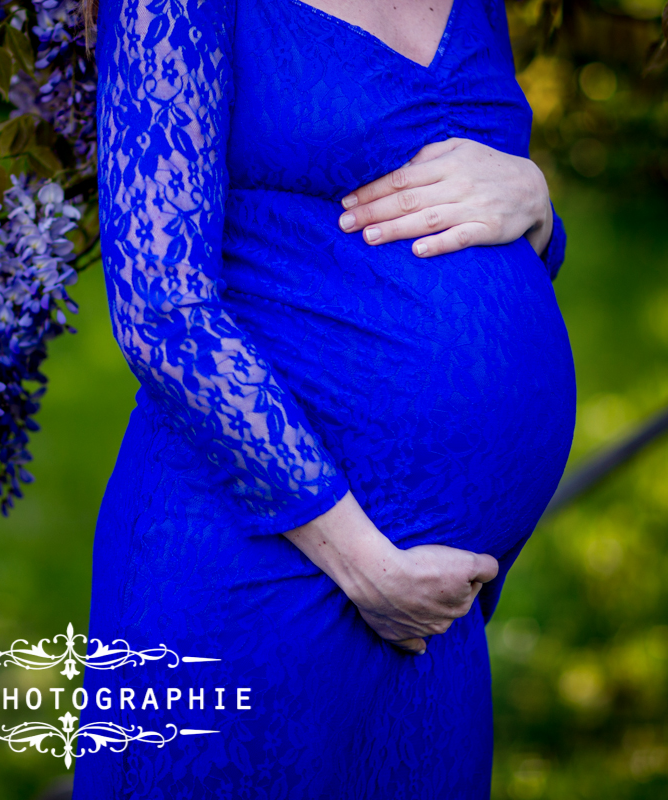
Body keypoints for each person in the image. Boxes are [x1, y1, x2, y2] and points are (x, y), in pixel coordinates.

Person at [74, 0, 574, 796]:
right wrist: (364, 562)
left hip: (433, 605)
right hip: (266, 559)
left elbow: (469, 228)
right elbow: (161, 310)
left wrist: (537, 205)